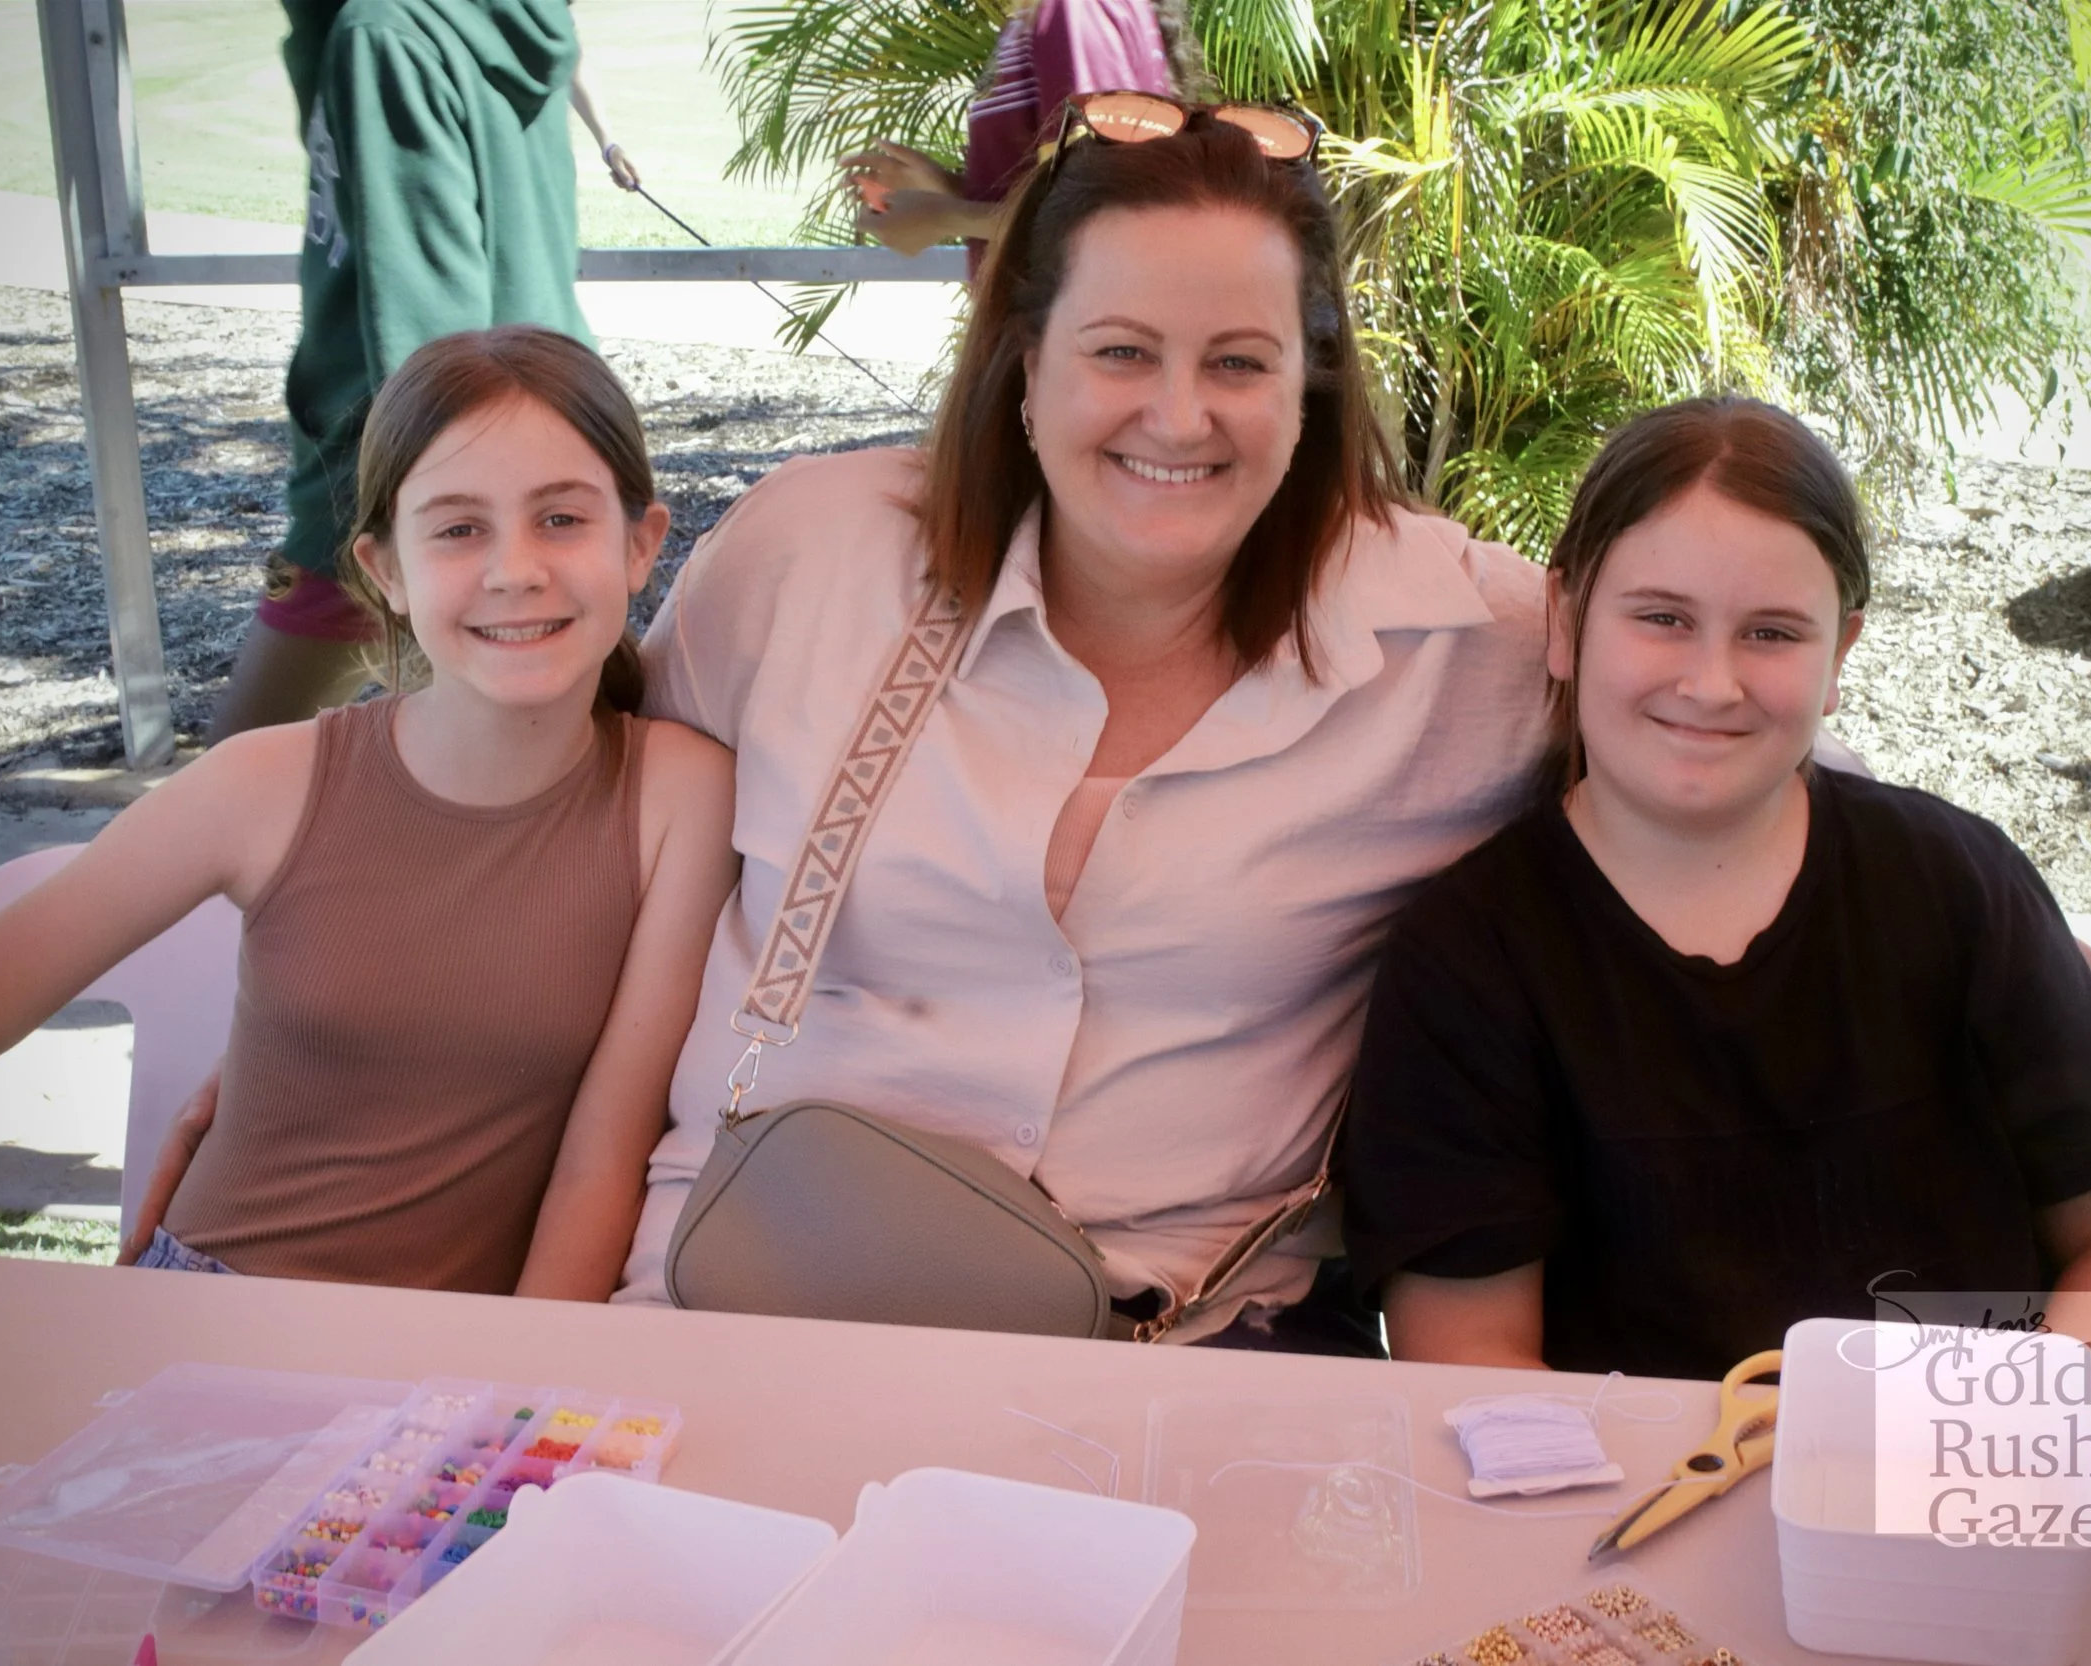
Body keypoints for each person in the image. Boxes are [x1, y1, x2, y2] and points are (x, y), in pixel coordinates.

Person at [621, 104, 1550, 1350]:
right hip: (738, 1293)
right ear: (1024, 357)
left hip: (1174, 1346)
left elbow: (1738, 736)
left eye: (1238, 361)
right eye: (1121, 352)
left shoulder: (1459, 641)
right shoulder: (807, 554)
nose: (1178, 416)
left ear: (1308, 378)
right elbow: (593, 840)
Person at [1340, 397, 2091, 1403]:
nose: (1711, 683)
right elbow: (1466, 1355)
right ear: (1565, 623)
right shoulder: (1468, 961)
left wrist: (2015, 1458)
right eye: (1662, 618)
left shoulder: (1953, 883)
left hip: (1989, 1483)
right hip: (1635, 1520)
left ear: (1839, 654)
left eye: (1771, 632)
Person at [0, 327, 737, 1301]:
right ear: (385, 570)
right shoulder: (264, 784)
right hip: (208, 1315)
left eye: (562, 519)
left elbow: (598, 1165)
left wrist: (503, 1408)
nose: (514, 569)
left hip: (453, 1377)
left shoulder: (681, 798)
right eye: (456, 528)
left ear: (641, 544)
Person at [212, 0, 639, 739]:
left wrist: (448, 521)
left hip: (403, 465)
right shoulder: (503, 22)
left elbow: (427, 321)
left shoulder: (384, 34)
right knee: (534, 753)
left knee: (229, 791)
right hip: (546, 428)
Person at [843, 0, 1188, 265]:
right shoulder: (1042, 15)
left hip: (1060, 339)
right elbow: (1059, 194)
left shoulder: (1075, 10)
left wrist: (943, 217)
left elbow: (1099, 214)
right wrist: (944, 187)